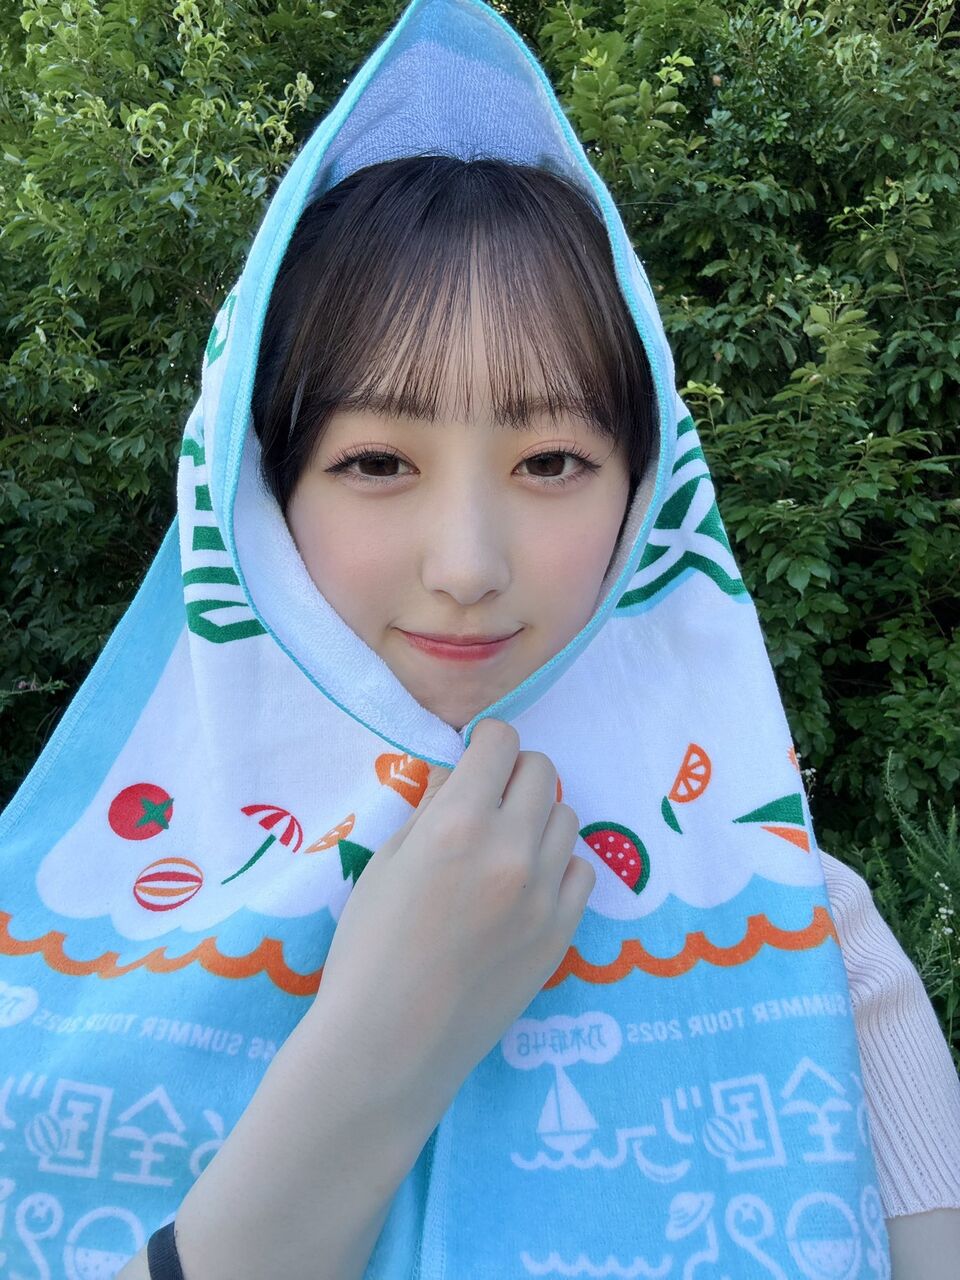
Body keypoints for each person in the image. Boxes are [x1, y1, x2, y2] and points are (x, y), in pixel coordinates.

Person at [1, 2, 957, 1277]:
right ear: (258, 501)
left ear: (646, 498)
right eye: (376, 460)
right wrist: (379, 1050)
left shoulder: (807, 949)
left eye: (552, 460)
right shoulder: (51, 946)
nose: (467, 565)